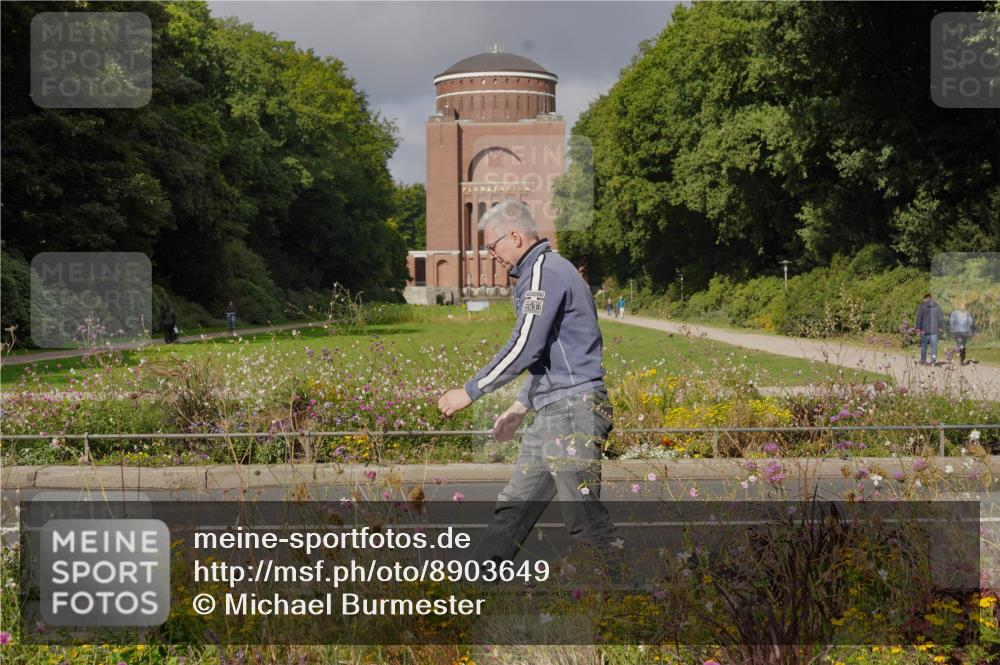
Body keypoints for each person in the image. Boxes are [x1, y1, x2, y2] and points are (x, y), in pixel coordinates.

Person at [437, 200, 623, 579]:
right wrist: (521, 407)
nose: (492, 256)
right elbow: (554, 351)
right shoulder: (547, 271)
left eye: (492, 247)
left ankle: (629, 602)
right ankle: (471, 591)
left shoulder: (543, 271)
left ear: (516, 236)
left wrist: (471, 391)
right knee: (514, 507)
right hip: (556, 411)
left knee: (583, 517)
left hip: (573, 412)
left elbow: (526, 346)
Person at [915, 293, 943, 365]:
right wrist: (940, 327)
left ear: (925, 299)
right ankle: (933, 362)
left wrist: (918, 328)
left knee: (924, 346)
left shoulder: (922, 306)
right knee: (934, 346)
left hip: (924, 330)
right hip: (934, 330)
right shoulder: (936, 306)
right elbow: (940, 317)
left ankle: (923, 361)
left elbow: (919, 318)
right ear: (931, 298)